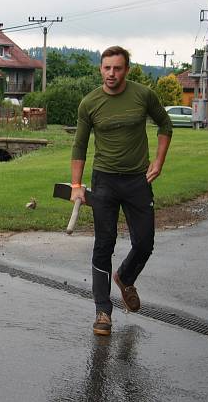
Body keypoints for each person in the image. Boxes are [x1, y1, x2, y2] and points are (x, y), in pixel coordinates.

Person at [70, 45, 173, 336]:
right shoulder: (89, 103)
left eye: (117, 68)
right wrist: (77, 185)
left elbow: (165, 125)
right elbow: (79, 145)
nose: (111, 73)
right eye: (106, 68)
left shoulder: (143, 95)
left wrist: (159, 161)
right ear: (100, 69)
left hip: (137, 180)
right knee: (104, 243)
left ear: (126, 69)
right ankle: (103, 311)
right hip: (104, 180)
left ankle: (125, 277)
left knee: (145, 242)